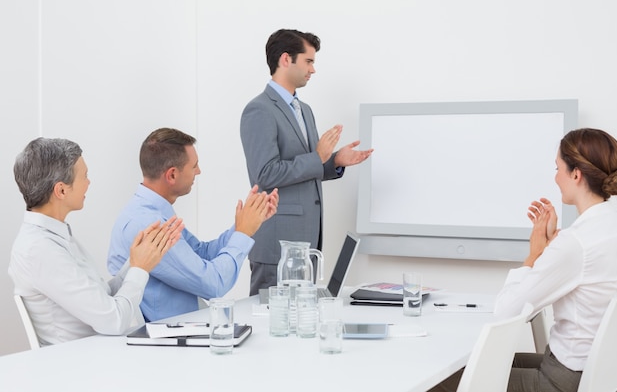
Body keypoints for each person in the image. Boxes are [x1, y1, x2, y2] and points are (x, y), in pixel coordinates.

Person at [429, 128, 617, 392]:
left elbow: (505, 313)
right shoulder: (615, 227)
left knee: (441, 381)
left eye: (557, 168)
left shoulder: (575, 244)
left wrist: (535, 254)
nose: (555, 178)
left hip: (562, 381)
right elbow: (586, 273)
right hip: (599, 373)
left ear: (576, 174)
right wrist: (553, 245)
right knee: (474, 364)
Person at [8, 137, 184, 346]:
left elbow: (103, 298)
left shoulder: (52, 236)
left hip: (99, 354)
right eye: (85, 176)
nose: (89, 182)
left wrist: (137, 259)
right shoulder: (39, 250)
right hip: (83, 366)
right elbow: (114, 320)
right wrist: (140, 269)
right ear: (62, 190)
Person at [240, 28, 373, 295]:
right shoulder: (259, 110)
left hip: (306, 245)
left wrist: (335, 161)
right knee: (272, 329)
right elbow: (265, 175)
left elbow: (305, 168)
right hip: (277, 247)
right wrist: (318, 157)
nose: (313, 70)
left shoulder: (305, 110)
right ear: (286, 59)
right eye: (309, 61)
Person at [107, 127, 278, 321]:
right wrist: (243, 233)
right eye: (194, 166)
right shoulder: (147, 225)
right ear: (172, 175)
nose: (199, 171)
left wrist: (246, 223)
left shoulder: (153, 213)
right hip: (168, 342)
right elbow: (214, 284)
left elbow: (200, 253)